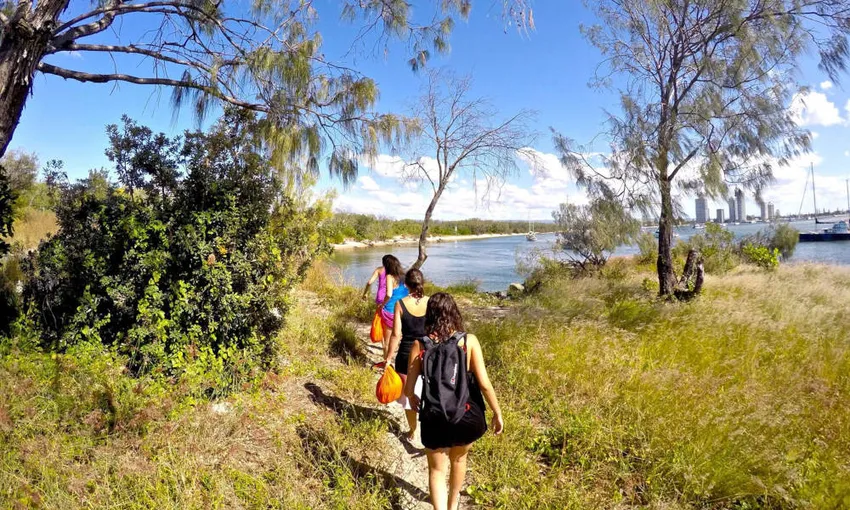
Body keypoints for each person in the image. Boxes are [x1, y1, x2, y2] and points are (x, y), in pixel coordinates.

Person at [404, 293, 504, 510]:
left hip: (434, 417)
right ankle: (453, 505)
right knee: (459, 460)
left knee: (437, 470)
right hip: (465, 415)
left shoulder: (419, 345)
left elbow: (408, 389)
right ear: (454, 313)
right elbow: (485, 384)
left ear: (429, 315)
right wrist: (497, 412)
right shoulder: (468, 341)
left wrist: (414, 399)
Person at [384, 268, 428, 442]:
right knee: (429, 394)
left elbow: (396, 335)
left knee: (409, 397)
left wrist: (388, 358)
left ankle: (412, 431)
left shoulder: (400, 304)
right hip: (427, 354)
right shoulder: (431, 302)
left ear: (406, 285)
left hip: (405, 356)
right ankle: (428, 432)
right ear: (422, 283)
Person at [362, 255, 406, 366]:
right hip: (403, 309)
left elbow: (388, 294)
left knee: (387, 340)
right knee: (399, 336)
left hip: (389, 308)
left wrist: (382, 305)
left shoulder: (388, 276)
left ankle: (387, 364)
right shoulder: (403, 276)